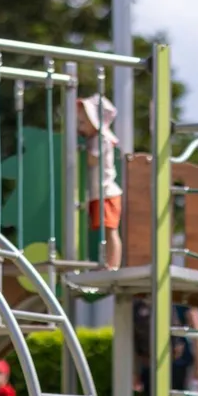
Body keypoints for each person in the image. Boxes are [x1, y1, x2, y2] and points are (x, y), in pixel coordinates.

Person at [77, 93, 123, 270]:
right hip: (99, 192)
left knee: (110, 230)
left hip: (106, 192)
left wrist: (80, 151)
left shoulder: (100, 139)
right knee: (104, 230)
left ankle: (113, 264)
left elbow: (92, 160)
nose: (80, 127)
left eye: (82, 123)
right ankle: (108, 262)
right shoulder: (95, 138)